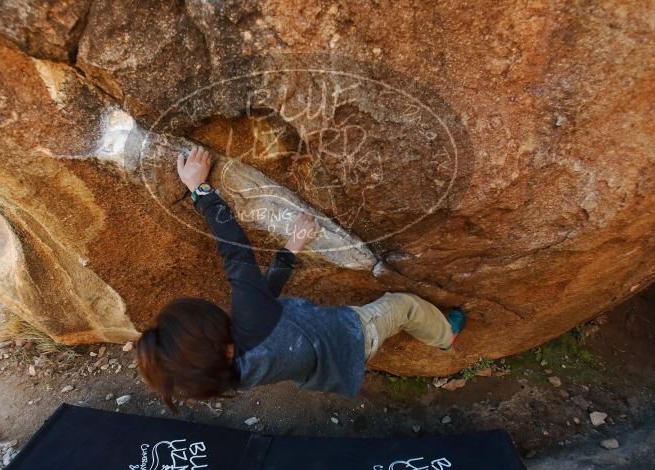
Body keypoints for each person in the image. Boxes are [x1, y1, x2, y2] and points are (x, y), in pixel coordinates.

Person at [136, 147, 466, 410]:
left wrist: (293, 246)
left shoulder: (222, 376)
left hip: (320, 368)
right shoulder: (250, 318)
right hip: (355, 336)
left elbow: (262, 301)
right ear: (221, 347)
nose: (223, 313)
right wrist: (200, 189)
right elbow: (235, 250)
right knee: (402, 304)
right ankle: (444, 337)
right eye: (214, 317)